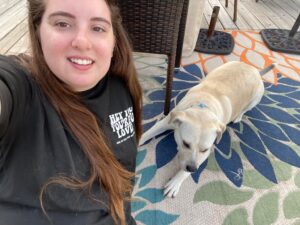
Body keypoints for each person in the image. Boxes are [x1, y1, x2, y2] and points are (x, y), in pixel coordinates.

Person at [0, 0, 142, 224]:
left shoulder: (119, 86)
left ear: (114, 37)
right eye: (63, 23)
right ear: (38, 30)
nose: (82, 42)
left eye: (97, 28)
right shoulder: (21, 92)